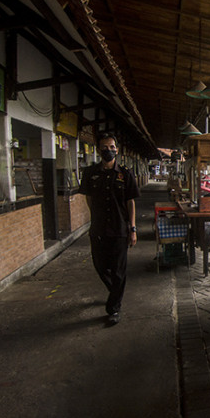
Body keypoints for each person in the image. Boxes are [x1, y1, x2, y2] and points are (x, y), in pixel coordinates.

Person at [79, 133, 139, 325]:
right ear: (98, 150)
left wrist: (133, 228)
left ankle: (113, 308)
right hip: (98, 229)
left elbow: (130, 202)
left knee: (118, 270)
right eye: (105, 147)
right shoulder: (89, 173)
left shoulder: (125, 174)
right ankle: (115, 292)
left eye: (112, 147)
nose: (109, 150)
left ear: (117, 150)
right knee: (100, 266)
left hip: (120, 229)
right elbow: (88, 198)